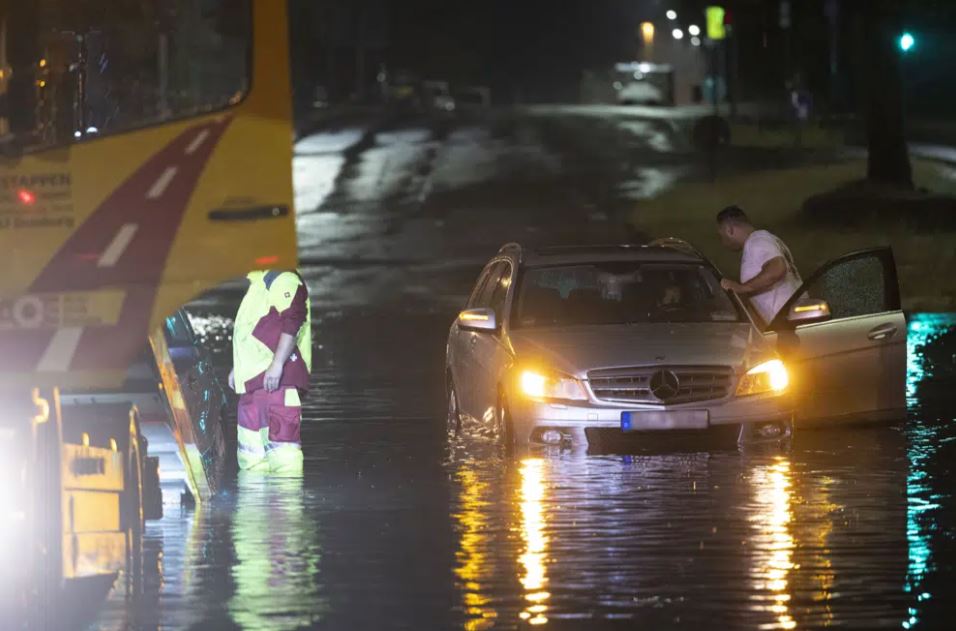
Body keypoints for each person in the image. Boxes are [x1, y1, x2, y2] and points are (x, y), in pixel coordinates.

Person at [228, 270, 312, 475]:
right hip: (251, 384)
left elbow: (294, 319)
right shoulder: (257, 284)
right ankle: (254, 506)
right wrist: (238, 368)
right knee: (251, 461)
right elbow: (252, 332)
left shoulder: (282, 277)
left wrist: (277, 364)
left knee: (284, 461)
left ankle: (286, 504)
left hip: (276, 383)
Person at [716, 205, 802, 324]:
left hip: (786, 324)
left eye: (721, 237)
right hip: (789, 321)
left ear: (729, 230)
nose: (723, 242)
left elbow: (777, 268)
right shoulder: (766, 239)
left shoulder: (757, 240)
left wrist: (742, 288)